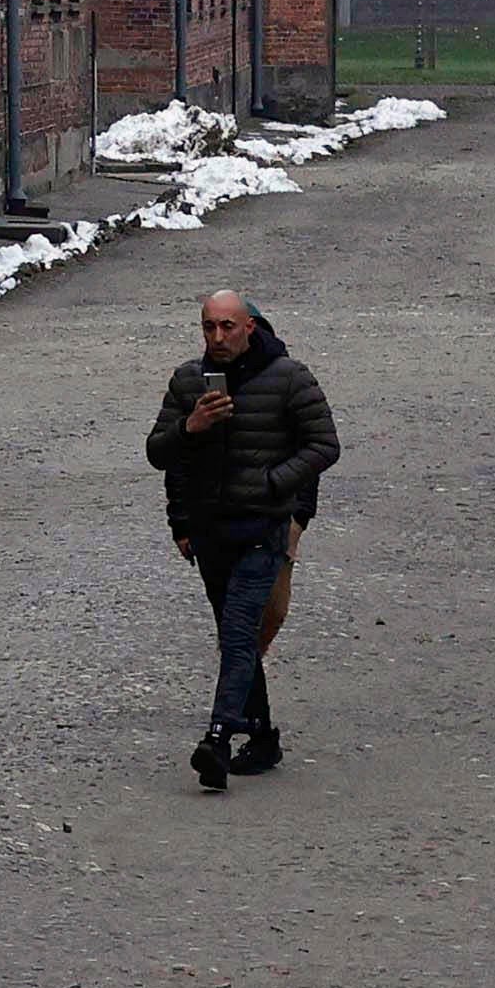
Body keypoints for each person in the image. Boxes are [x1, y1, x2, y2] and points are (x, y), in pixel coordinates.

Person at [148, 283, 337, 791]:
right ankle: (263, 737)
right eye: (209, 327)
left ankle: (217, 738)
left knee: (239, 633)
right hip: (212, 533)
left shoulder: (289, 378)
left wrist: (280, 490)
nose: (217, 336)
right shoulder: (190, 381)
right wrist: (191, 428)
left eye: (227, 326)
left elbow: (324, 446)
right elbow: (162, 456)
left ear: (249, 327)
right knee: (239, 642)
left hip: (263, 528)